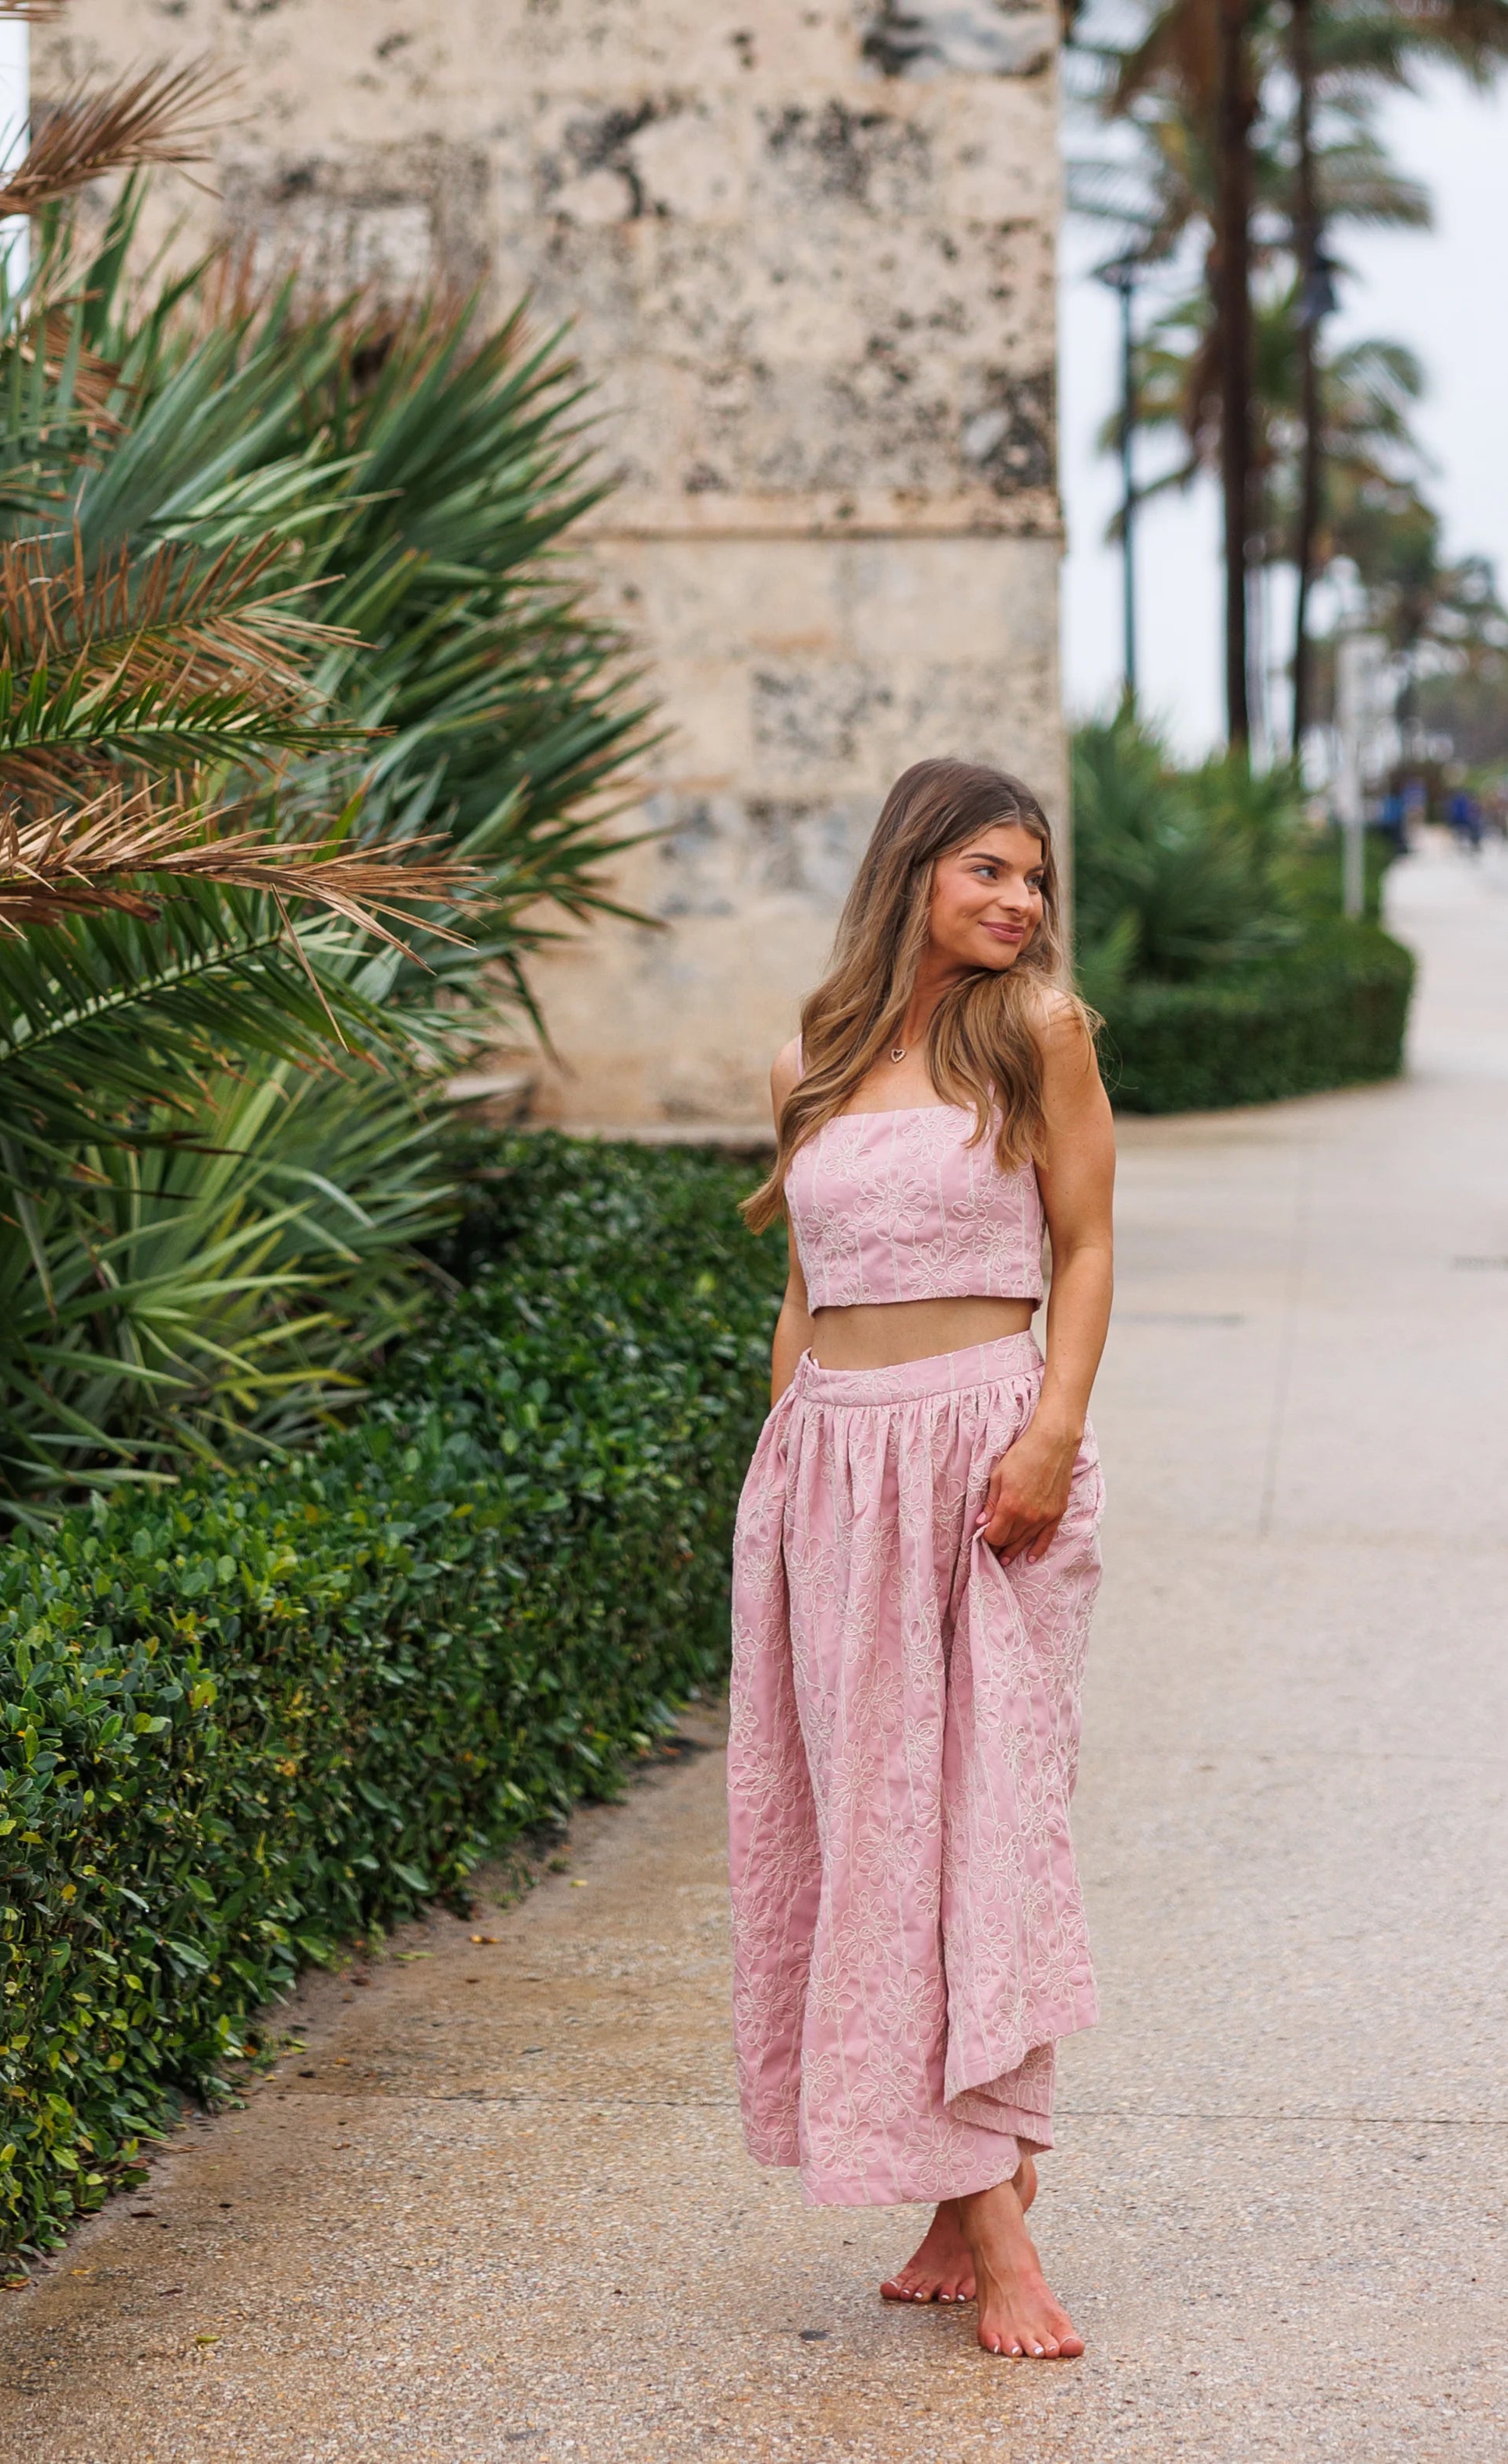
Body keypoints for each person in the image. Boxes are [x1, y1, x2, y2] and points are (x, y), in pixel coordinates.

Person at [728, 758, 1114, 2362]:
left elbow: (1086, 1244)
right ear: (913, 872)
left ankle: (994, 2219)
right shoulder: (810, 1058)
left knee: (974, 1832)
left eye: (1033, 876)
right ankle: (973, 2197)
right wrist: (780, 1480)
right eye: (988, 871)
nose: (1020, 901)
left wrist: (1051, 1432)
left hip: (984, 1464)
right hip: (831, 1473)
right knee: (867, 1841)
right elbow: (805, 1291)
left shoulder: (1039, 1032)